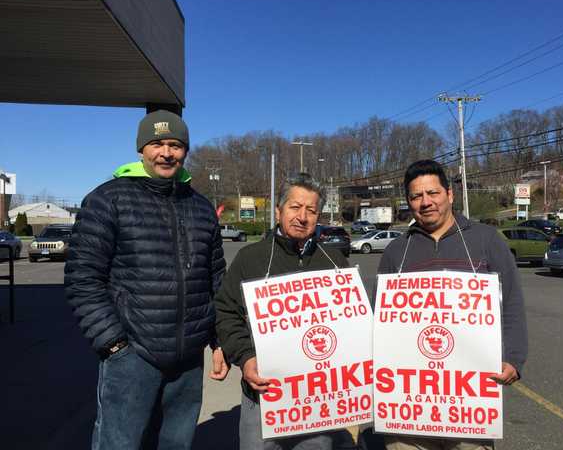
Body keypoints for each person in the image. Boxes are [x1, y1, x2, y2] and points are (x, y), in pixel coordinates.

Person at [65, 110, 228, 450]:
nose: (166, 152)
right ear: (141, 149)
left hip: (187, 358)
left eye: (175, 144)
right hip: (133, 354)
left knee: (175, 443)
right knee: (118, 443)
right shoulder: (108, 199)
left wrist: (219, 339)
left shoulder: (199, 207)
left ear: (185, 150)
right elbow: (83, 277)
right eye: (157, 143)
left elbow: (215, 278)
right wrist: (113, 343)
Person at [376, 159, 528, 450]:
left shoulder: (486, 240)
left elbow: (510, 301)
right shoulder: (397, 251)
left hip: (469, 405)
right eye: (416, 196)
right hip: (407, 407)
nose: (426, 202)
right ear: (408, 202)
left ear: (450, 194)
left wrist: (514, 358)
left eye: (433, 193)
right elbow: (379, 318)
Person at [215, 173, 351, 450]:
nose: (302, 217)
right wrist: (245, 356)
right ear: (278, 211)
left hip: (319, 402)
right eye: (295, 207)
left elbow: (353, 324)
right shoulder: (250, 258)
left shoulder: (335, 262)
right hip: (263, 396)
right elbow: (225, 311)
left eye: (311, 211)